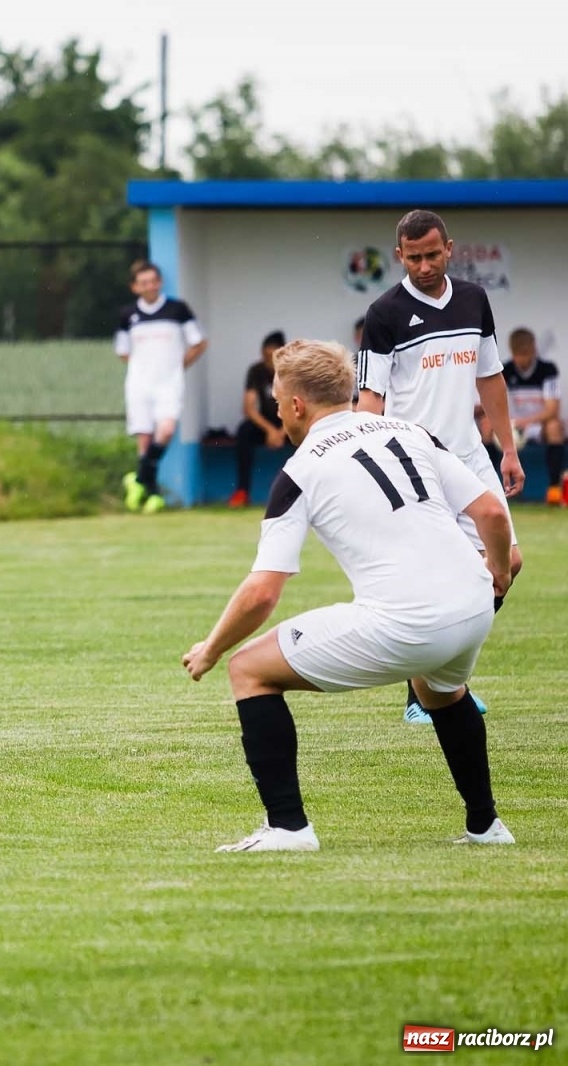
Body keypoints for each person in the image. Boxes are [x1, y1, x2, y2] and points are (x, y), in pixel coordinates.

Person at [183, 340, 515, 852]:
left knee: (247, 668)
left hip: (409, 623)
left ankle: (287, 829)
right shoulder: (411, 431)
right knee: (439, 691)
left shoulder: (299, 469)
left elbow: (262, 593)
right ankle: (486, 826)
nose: (276, 409)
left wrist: (210, 649)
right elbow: (491, 513)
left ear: (296, 405)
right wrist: (497, 571)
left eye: (276, 400)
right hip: (473, 608)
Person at [355, 209, 522, 725]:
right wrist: (366, 461)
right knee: (431, 579)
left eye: (433, 254)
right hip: (415, 464)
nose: (424, 265)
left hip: (470, 456)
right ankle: (421, 690)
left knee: (507, 565)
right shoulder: (383, 313)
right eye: (414, 257)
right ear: (399, 255)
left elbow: (490, 377)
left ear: (449, 248)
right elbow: (370, 398)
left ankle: (439, 680)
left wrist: (509, 449)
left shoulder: (475, 300)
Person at [115, 260, 207, 513]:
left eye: (153, 280)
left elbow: (199, 343)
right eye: (143, 282)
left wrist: (178, 366)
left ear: (160, 282)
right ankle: (152, 494)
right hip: (139, 385)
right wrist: (143, 369)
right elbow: (123, 351)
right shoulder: (128, 315)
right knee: (144, 439)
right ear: (135, 287)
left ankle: (139, 480)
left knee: (165, 430)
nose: (150, 286)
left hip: (169, 383)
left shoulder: (178, 309)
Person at [500, 327, 565, 505]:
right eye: (517, 354)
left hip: (538, 425)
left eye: (525, 354)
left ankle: (553, 489)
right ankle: (499, 489)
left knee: (554, 427)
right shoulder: (504, 371)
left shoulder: (548, 370)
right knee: (486, 427)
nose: (521, 359)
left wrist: (526, 422)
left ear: (533, 350)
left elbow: (552, 409)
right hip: (513, 426)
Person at [229, 330, 290, 508]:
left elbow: (301, 405)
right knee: (244, 431)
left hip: (290, 424)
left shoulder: (292, 371)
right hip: (266, 425)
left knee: (311, 435)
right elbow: (248, 407)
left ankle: (305, 494)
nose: (268, 360)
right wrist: (271, 431)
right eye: (265, 356)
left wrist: (282, 431)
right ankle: (242, 492)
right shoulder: (256, 371)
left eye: (272, 356)